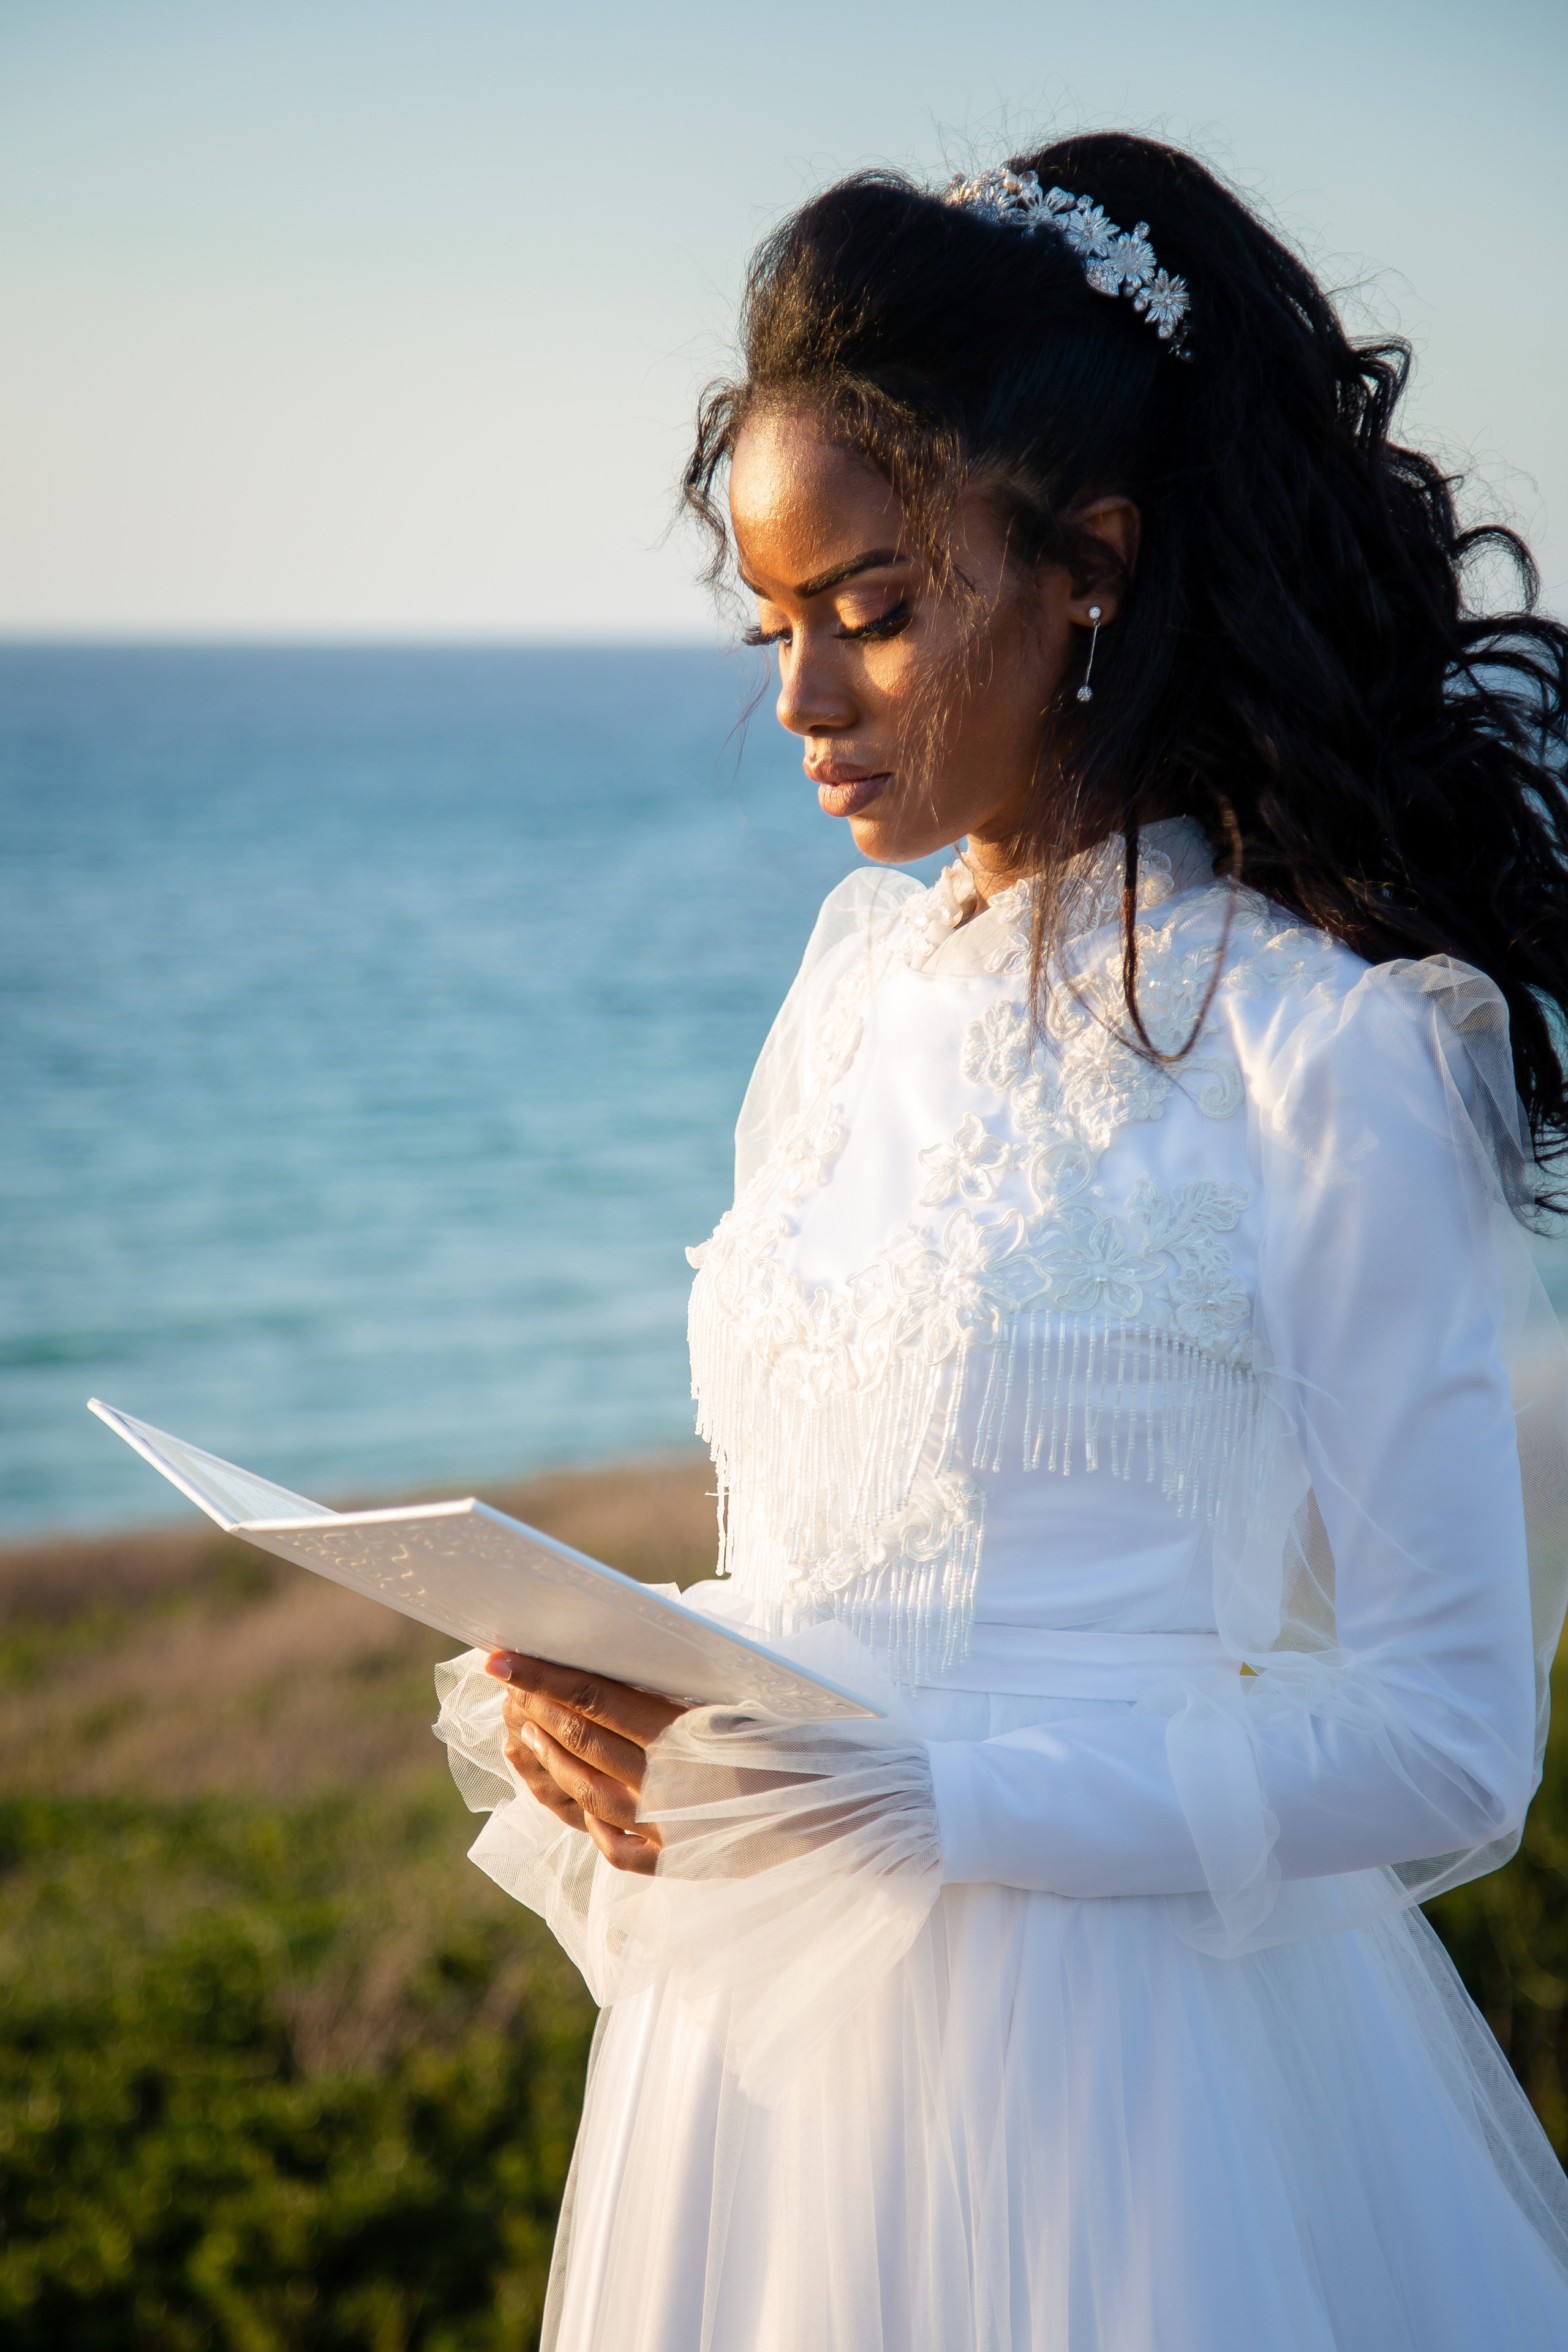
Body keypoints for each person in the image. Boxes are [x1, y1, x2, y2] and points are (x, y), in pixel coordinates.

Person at [435, 134, 1568, 2349]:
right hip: (762, 2080)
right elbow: (840, 1561)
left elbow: (1449, 1743)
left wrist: (943, 1799)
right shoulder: (851, 993)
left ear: (1090, 569)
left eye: (870, 611)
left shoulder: (1336, 1057)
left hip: (1129, 2088)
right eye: (773, 624)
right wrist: (608, 1688)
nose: (802, 699)